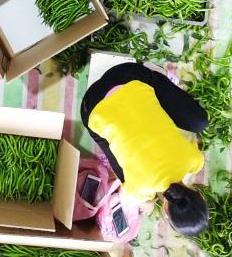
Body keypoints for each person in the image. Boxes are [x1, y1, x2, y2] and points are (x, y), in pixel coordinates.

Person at [80, 62, 210, 238]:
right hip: (91, 105)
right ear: (166, 212)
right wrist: (148, 201)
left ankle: (155, 80)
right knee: (124, 174)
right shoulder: (139, 191)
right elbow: (127, 197)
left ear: (199, 194)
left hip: (126, 74)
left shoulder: (195, 161)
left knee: (200, 122)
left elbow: (177, 159)